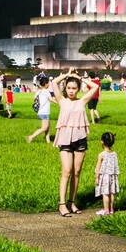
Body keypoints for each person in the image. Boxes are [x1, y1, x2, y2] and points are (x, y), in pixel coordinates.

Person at [50, 71, 99, 216]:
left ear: (78, 89)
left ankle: (72, 202)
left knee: (77, 173)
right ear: (65, 88)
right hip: (65, 140)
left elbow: (95, 87)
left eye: (74, 88)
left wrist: (79, 78)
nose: (71, 91)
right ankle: (62, 204)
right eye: (69, 88)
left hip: (80, 139)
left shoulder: (81, 101)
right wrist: (66, 75)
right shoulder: (61, 100)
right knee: (66, 171)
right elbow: (53, 83)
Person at [94, 131, 120, 216]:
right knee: (111, 193)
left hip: (104, 176)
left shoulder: (101, 155)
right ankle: (111, 209)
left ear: (102, 142)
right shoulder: (114, 154)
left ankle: (106, 210)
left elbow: (98, 167)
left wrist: (96, 177)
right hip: (113, 176)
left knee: (105, 194)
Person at [26, 76, 54, 144]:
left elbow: (34, 99)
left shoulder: (38, 91)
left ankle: (48, 141)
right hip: (44, 112)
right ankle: (31, 137)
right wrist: (60, 103)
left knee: (48, 127)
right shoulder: (46, 91)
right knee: (44, 127)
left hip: (40, 111)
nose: (49, 84)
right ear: (46, 84)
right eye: (48, 83)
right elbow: (51, 99)